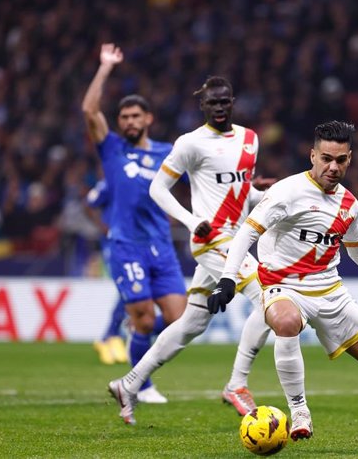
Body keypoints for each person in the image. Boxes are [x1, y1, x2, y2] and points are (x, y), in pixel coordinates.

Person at [207, 121, 358, 448]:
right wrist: (226, 280)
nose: (333, 167)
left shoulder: (349, 205)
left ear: (350, 159)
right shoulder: (286, 193)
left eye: (341, 160)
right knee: (286, 322)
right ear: (312, 156)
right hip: (283, 286)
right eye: (326, 158)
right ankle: (299, 411)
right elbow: (246, 233)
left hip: (331, 292)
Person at [108, 76, 273, 424]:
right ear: (203, 105)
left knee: (191, 324)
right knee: (269, 300)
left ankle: (129, 383)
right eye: (212, 102)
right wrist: (190, 219)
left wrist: (260, 195)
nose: (218, 107)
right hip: (211, 239)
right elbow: (158, 188)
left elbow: (239, 196)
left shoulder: (249, 139)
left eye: (224, 101)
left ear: (232, 102)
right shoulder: (190, 143)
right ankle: (237, 384)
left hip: (235, 237)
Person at [82, 43, 188, 402]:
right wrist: (105, 68)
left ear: (148, 119)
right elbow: (89, 109)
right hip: (127, 245)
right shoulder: (111, 148)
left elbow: (201, 180)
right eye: (124, 117)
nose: (128, 122)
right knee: (144, 318)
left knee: (180, 321)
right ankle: (140, 382)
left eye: (134, 117)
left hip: (161, 246)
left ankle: (135, 334)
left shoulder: (166, 153)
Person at [86, 180, 129, 366]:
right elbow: (88, 204)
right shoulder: (108, 183)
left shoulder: (132, 178)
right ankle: (110, 336)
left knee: (128, 290)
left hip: (131, 242)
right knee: (126, 289)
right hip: (112, 244)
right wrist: (103, 226)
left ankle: (111, 336)